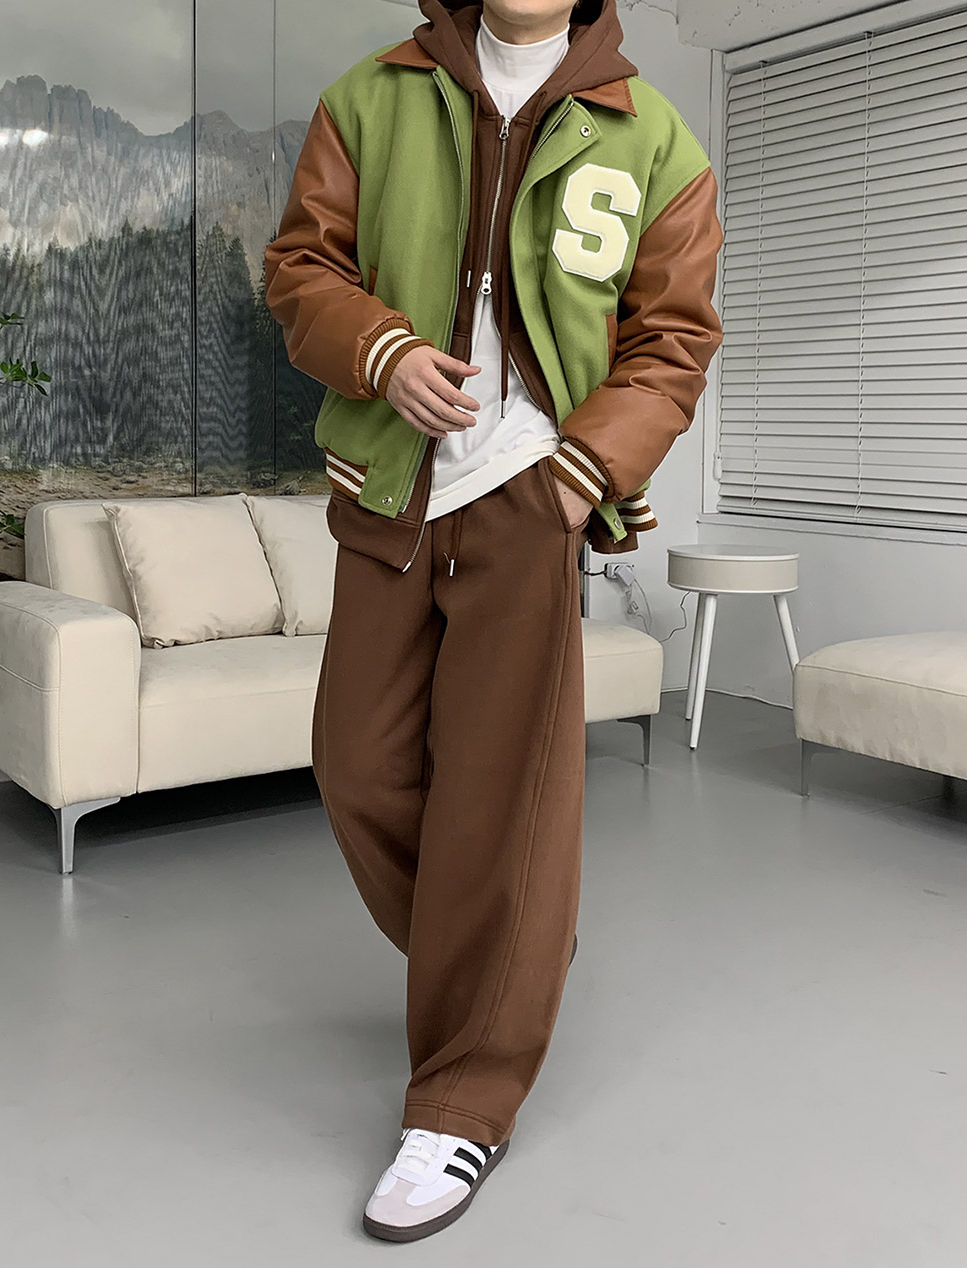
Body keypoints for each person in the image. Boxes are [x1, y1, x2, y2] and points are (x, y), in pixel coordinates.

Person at [264, 0, 723, 1243]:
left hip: (537, 494)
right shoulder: (371, 94)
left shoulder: (655, 136)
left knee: (498, 792)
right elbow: (301, 266)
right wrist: (381, 350)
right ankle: (510, 946)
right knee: (355, 763)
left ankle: (463, 1098)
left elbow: (674, 338)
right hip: (394, 483)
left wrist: (587, 469)